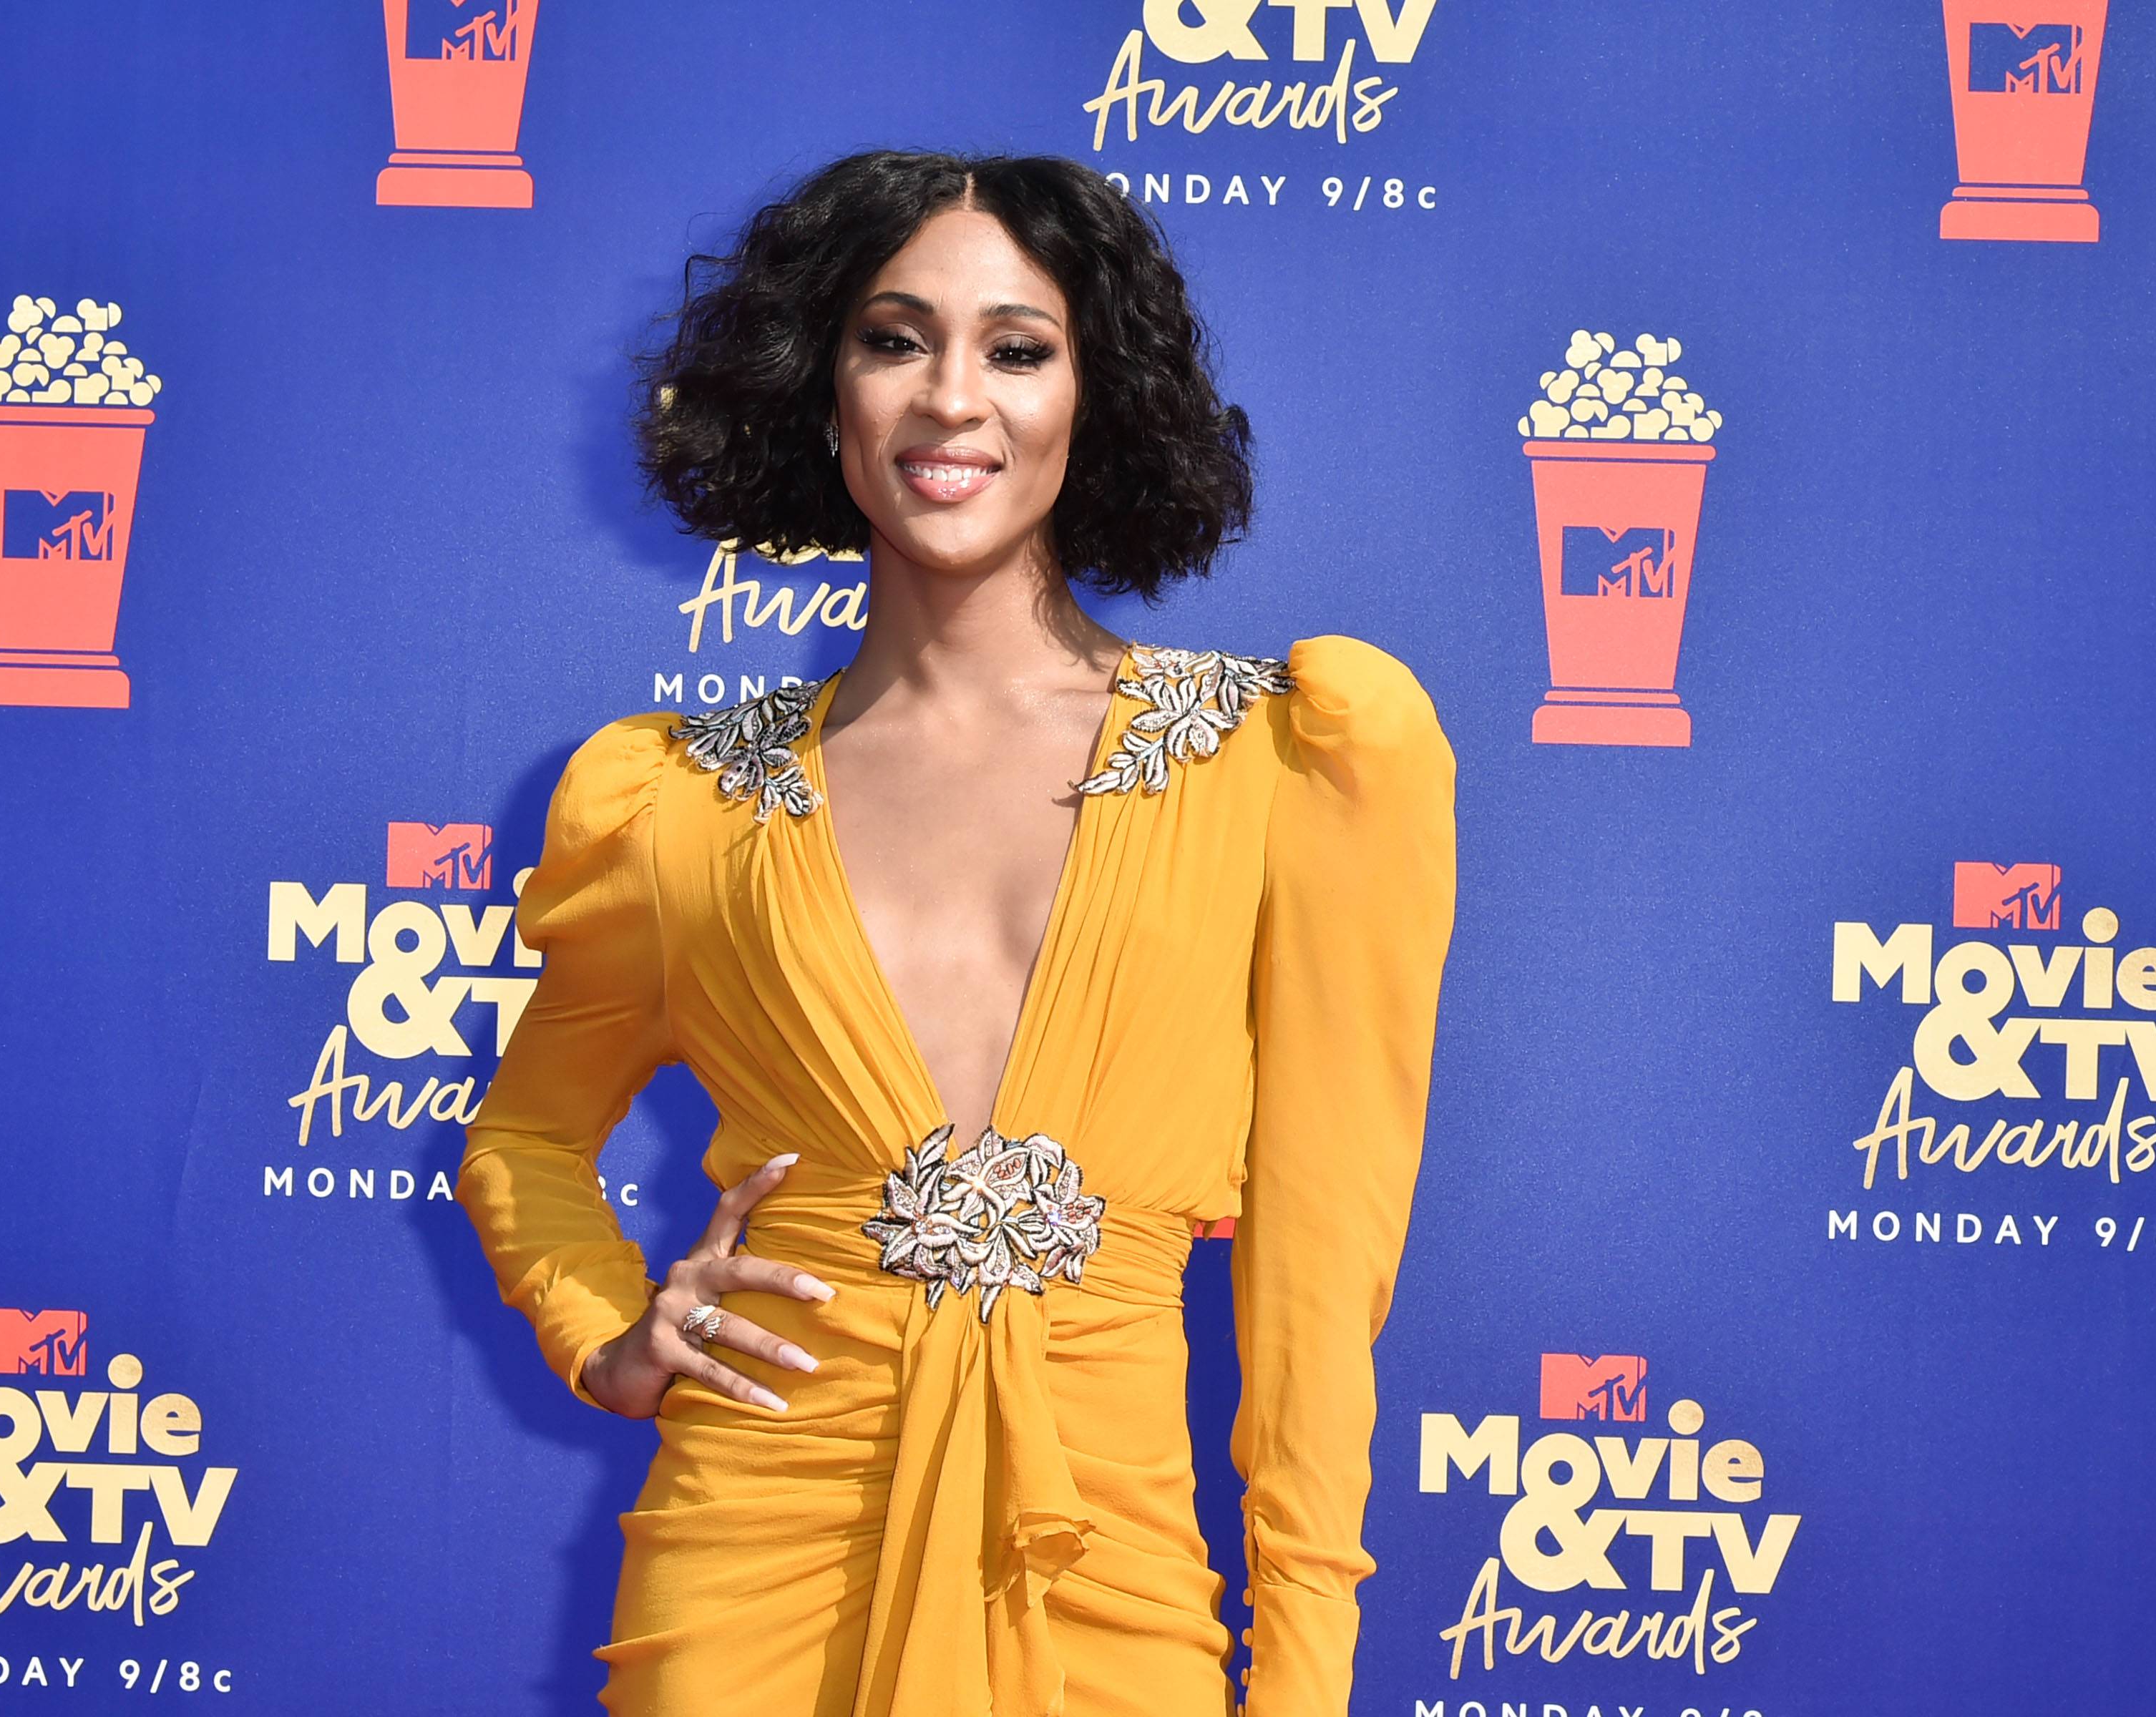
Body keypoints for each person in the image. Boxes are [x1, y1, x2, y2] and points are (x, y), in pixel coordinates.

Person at [455, 148, 1457, 1717]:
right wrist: (612, 1337)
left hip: (1103, 1567)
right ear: (818, 388)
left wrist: (1306, 1669)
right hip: (754, 1566)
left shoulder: (1287, 762)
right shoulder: (674, 805)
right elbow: (523, 1139)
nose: (950, 399)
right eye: (893, 337)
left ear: (1093, 393)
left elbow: (1321, 1285)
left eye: (1017, 347)